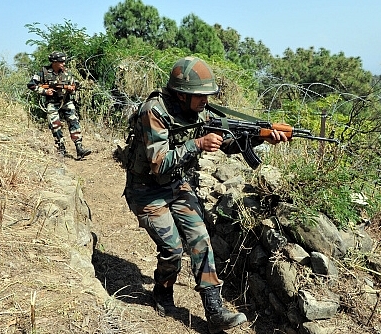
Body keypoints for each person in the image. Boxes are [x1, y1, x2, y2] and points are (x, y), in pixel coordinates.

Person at [123, 56, 289, 333]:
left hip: (178, 185)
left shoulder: (202, 112)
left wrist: (262, 137)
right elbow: (158, 162)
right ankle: (162, 291)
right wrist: (198, 143)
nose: (205, 100)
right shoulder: (154, 111)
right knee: (172, 250)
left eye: (207, 95)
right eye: (199, 96)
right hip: (146, 190)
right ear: (180, 93)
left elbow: (230, 144)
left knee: (201, 239)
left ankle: (214, 310)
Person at [27, 51, 91, 159]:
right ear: (54, 62)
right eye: (61, 62)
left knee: (74, 121)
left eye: (64, 61)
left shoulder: (67, 73)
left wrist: (72, 88)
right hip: (52, 102)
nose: (63, 64)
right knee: (55, 125)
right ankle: (61, 148)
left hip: (66, 101)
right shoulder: (43, 72)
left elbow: (75, 85)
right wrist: (44, 91)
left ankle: (79, 148)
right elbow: (31, 85)